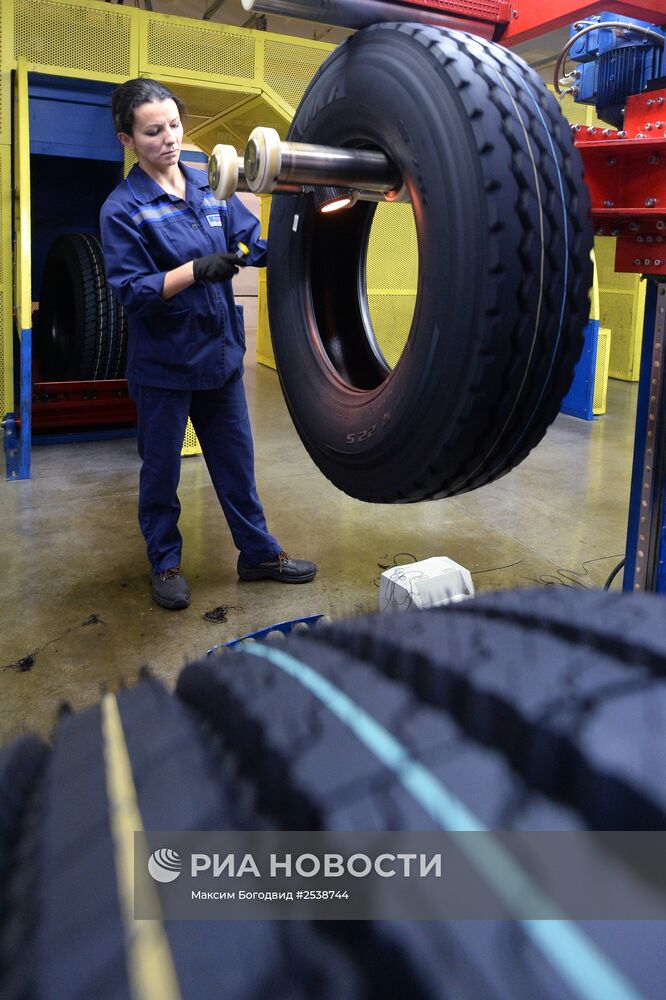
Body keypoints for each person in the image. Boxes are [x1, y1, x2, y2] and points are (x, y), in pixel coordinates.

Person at [100, 78, 316, 610]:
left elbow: (254, 242)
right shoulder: (124, 210)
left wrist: (307, 231)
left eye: (174, 124)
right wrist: (194, 270)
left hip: (219, 359)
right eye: (153, 131)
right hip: (165, 368)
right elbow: (132, 291)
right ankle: (166, 561)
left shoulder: (205, 185)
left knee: (236, 467)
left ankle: (258, 555)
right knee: (162, 474)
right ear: (127, 139)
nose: (169, 138)